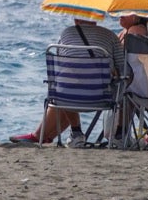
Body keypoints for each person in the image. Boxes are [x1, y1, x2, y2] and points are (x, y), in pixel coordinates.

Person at [9, 17, 124, 147]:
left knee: (67, 81)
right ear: (96, 18)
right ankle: (120, 134)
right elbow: (124, 70)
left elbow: (62, 66)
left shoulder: (66, 33)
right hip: (101, 98)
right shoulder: (110, 35)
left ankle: (75, 132)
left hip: (66, 98)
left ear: (76, 20)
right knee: (124, 83)